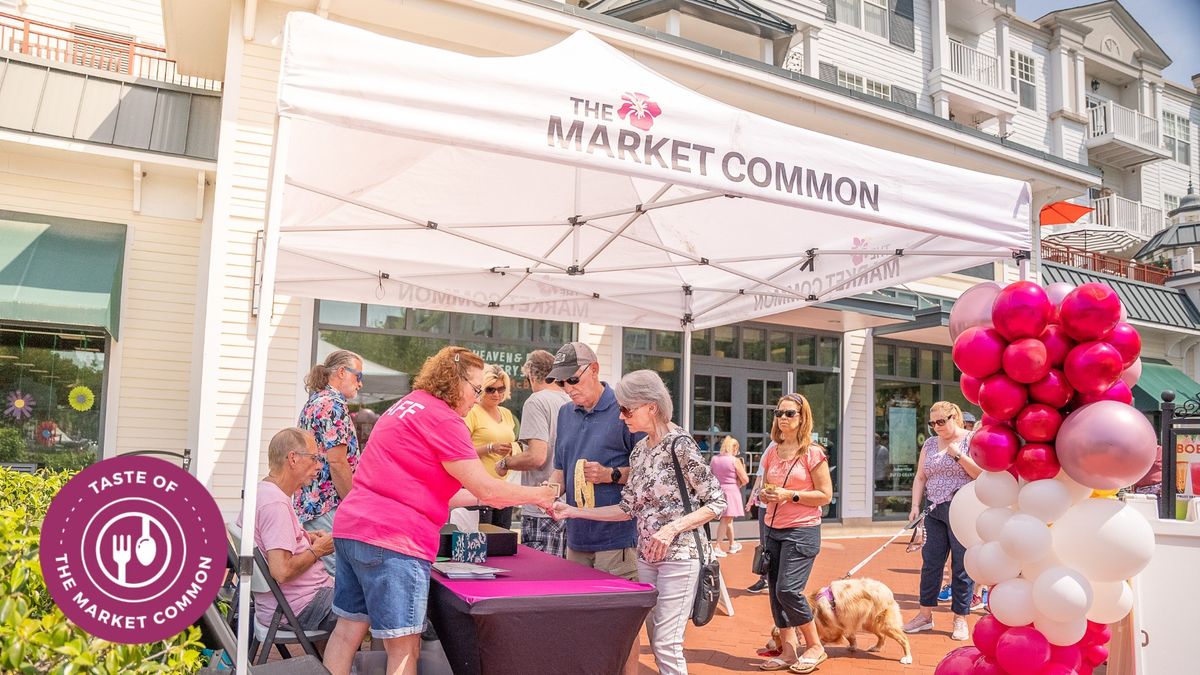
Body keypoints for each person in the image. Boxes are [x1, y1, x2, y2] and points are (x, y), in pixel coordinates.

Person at [321, 347, 557, 675]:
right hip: (394, 538)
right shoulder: (445, 420)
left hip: (352, 528)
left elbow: (435, 491)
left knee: (347, 631)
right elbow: (486, 488)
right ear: (454, 382)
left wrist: (484, 497)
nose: (477, 398)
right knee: (404, 647)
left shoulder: (406, 405)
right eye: (476, 389)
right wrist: (541, 495)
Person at [551, 370, 725, 675]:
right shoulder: (641, 450)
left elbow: (716, 501)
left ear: (651, 406)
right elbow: (626, 508)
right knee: (656, 640)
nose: (620, 417)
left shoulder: (679, 444)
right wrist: (573, 511)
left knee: (667, 645)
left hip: (680, 557)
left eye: (626, 409)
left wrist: (671, 529)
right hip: (647, 557)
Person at [546, 341, 643, 675]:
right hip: (577, 536)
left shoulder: (625, 408)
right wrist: (549, 493)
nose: (567, 388)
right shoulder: (564, 413)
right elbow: (560, 468)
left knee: (621, 626)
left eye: (572, 380)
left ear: (595, 369)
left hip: (616, 538)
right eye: (561, 382)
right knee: (581, 623)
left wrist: (611, 474)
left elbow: (648, 473)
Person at [755, 393, 833, 673]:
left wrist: (791, 495)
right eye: (779, 413)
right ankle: (789, 652)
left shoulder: (813, 453)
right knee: (775, 593)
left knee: (788, 589)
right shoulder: (773, 452)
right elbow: (765, 489)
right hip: (773, 529)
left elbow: (825, 495)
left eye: (790, 413)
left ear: (803, 418)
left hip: (802, 530)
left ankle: (815, 646)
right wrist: (767, 494)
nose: (783, 418)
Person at [236, 428, 337, 636]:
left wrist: (306, 537)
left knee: (361, 595)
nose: (319, 466)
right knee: (373, 602)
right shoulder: (275, 504)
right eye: (314, 458)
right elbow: (281, 571)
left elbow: (267, 541)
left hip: (287, 603)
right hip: (299, 606)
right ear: (293, 458)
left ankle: (323, 664)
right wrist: (318, 550)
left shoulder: (262, 492)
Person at [903, 401, 983, 641]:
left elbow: (980, 474)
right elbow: (920, 476)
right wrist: (915, 506)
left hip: (961, 510)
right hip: (933, 510)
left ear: (954, 417)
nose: (936, 427)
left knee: (961, 567)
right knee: (931, 563)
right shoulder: (929, 444)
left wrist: (958, 456)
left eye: (941, 421)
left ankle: (960, 617)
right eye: (932, 423)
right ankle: (925, 615)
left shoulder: (971, 440)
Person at [495, 350, 571, 557]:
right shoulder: (571, 401)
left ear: (530, 374)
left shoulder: (536, 401)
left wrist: (505, 463)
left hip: (541, 507)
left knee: (541, 578)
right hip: (569, 507)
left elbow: (537, 456)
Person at [297, 349, 364, 575]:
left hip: (314, 504)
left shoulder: (316, 400)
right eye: (358, 377)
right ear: (342, 372)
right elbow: (337, 462)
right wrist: (354, 504)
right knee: (336, 580)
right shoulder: (332, 405)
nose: (360, 384)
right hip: (327, 506)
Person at [465, 364, 520, 529]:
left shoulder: (507, 414)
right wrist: (490, 448)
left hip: (504, 487)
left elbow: (516, 444)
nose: (496, 394)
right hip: (478, 487)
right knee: (481, 538)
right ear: (481, 389)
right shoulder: (471, 412)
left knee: (502, 540)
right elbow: (461, 452)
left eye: (501, 389)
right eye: (490, 389)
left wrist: (513, 449)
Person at [710, 435, 748, 557]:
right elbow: (745, 479)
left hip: (719, 491)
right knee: (726, 519)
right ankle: (717, 546)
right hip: (731, 491)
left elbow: (710, 475)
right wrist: (739, 482)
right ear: (734, 448)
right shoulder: (734, 460)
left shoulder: (714, 459)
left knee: (728, 519)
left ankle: (732, 544)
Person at [746, 456, 769, 594]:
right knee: (765, 544)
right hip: (764, 506)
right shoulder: (769, 449)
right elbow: (759, 479)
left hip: (776, 506)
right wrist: (751, 500)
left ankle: (770, 580)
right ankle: (765, 579)